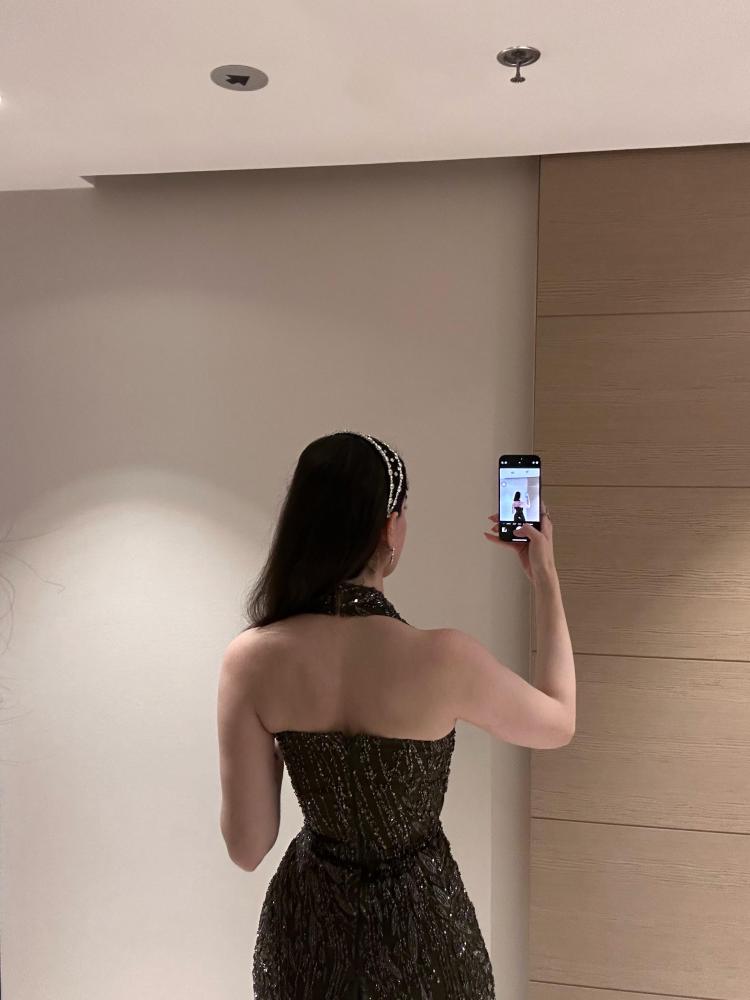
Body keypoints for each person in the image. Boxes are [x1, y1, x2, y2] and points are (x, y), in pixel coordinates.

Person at [217, 431, 575, 1000]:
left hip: (306, 940)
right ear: (388, 528)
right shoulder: (445, 658)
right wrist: (546, 580)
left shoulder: (251, 660)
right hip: (423, 937)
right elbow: (559, 720)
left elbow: (247, 847)